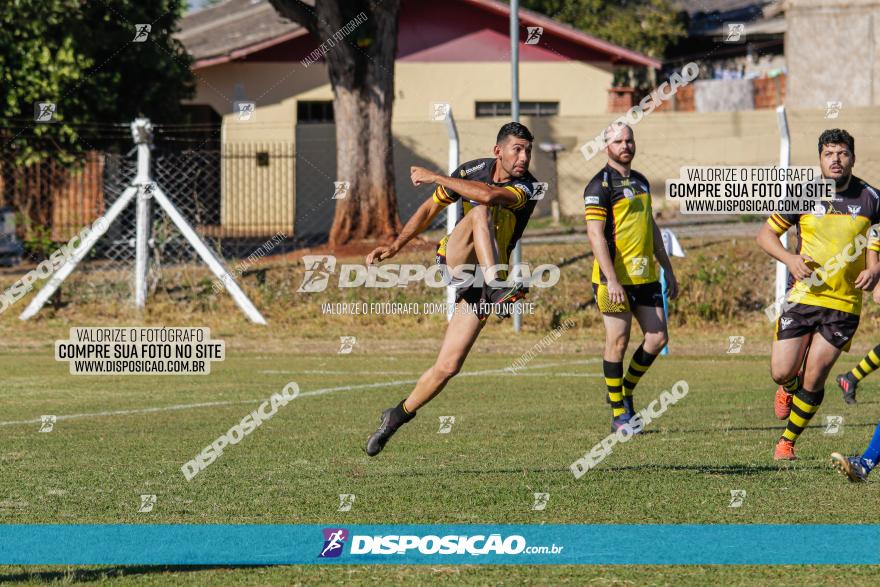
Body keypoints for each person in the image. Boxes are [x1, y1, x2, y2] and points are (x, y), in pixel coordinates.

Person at [363, 122, 540, 456]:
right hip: (458, 261)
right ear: (497, 151)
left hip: (483, 283)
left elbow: (487, 194)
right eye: (517, 148)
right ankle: (497, 286)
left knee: (448, 366)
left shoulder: (529, 187)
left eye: (528, 150)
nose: (524, 156)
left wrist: (436, 176)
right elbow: (431, 208)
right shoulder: (472, 170)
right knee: (479, 214)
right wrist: (396, 246)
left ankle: (396, 416)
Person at [757, 129, 880, 461]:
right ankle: (787, 387)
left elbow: (876, 239)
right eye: (829, 153)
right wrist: (790, 259)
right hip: (803, 297)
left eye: (842, 153)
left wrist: (875, 269)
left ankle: (787, 442)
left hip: (843, 305)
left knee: (815, 375)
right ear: (820, 159)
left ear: (852, 157)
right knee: (782, 372)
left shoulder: (872, 198)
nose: (836, 159)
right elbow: (766, 235)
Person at [584, 123, 678, 432]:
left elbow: (650, 226)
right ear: (605, 146)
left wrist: (667, 266)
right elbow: (595, 236)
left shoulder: (641, 181)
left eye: (629, 140)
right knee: (618, 341)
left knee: (657, 338)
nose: (626, 145)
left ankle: (624, 390)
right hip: (613, 280)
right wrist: (611, 279)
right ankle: (618, 415)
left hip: (646, 277)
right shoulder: (599, 187)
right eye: (618, 141)